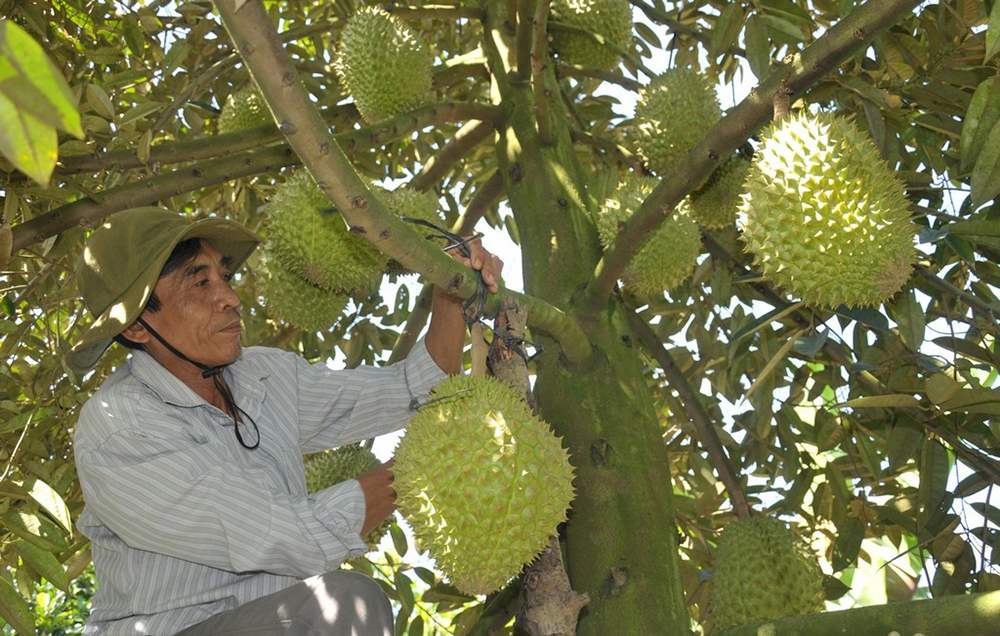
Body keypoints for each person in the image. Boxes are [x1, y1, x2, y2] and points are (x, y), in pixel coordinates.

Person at [68, 206, 503, 635]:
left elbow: (412, 390)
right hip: (173, 629)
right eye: (200, 283)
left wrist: (450, 292)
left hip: (277, 622)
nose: (231, 300)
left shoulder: (264, 376)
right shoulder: (122, 428)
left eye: (225, 277)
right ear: (138, 327)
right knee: (344, 605)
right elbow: (286, 536)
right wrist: (429, 465)